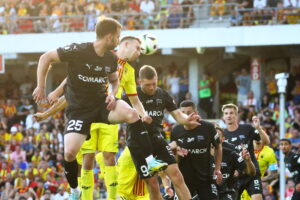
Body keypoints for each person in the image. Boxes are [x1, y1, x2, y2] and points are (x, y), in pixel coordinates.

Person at [32, 17, 164, 200]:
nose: (118, 41)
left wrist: (113, 93)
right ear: (111, 38)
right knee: (72, 154)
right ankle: (76, 191)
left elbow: (117, 83)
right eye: (118, 37)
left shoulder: (116, 62)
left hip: (104, 106)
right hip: (80, 111)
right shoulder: (79, 51)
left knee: (130, 117)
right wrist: (43, 89)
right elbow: (49, 61)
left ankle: (149, 163)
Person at [119, 65, 200, 200]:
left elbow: (178, 116)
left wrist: (187, 119)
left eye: (154, 83)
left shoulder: (162, 94)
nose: (152, 87)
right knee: (153, 184)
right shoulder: (130, 94)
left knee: (177, 176)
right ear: (140, 82)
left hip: (158, 140)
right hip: (139, 144)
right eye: (148, 85)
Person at [171, 100, 222, 200]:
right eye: (183, 113)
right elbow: (173, 153)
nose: (186, 116)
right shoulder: (176, 130)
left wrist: (217, 168)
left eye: (189, 113)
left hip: (205, 179)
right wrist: (175, 151)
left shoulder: (208, 127)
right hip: (184, 180)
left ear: (196, 113)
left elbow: (218, 147)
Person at [222, 103, 270, 200]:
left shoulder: (247, 128)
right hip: (235, 177)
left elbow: (266, 142)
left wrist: (258, 128)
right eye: (226, 113)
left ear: (236, 115)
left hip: (251, 173)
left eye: (231, 113)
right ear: (223, 116)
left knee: (257, 197)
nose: (229, 115)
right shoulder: (222, 135)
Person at [214, 124, 256, 200]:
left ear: (223, 139)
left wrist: (248, 160)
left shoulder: (231, 153)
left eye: (218, 135)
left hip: (227, 191)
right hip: (209, 190)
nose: (215, 137)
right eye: (213, 134)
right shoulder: (202, 154)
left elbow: (251, 173)